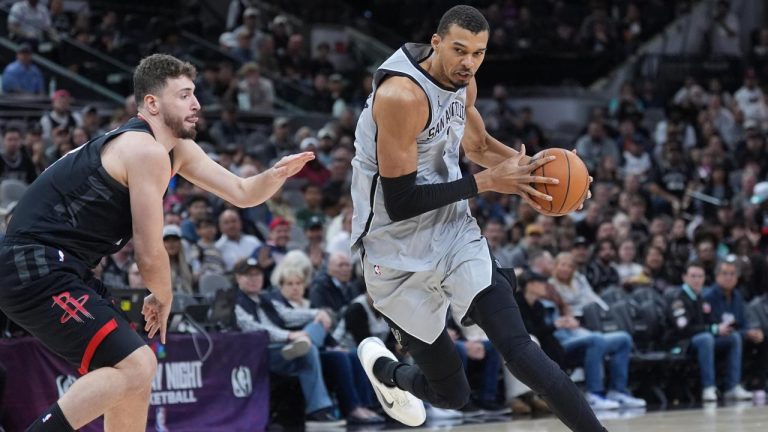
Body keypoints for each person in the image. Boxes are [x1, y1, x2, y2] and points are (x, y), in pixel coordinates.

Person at [0, 54, 313, 432]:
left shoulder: (173, 149)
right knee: (135, 364)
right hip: (33, 264)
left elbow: (244, 192)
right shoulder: (142, 149)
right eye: (183, 95)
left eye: (194, 94)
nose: (196, 103)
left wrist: (275, 173)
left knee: (135, 375)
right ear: (152, 103)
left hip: (65, 266)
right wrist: (161, 297)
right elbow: (149, 254)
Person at [350, 6, 605, 431]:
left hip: (454, 235)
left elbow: (481, 145)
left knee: (520, 349)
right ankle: (386, 371)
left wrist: (545, 177)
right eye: (459, 50)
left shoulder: (463, 84)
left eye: (479, 53)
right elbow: (400, 201)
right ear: (436, 43)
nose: (469, 62)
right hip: (394, 253)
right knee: (453, 395)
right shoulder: (401, 96)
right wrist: (487, 183)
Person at [665, 262, 750, 402]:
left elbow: (711, 322)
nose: (697, 280)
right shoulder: (678, 299)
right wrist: (713, 329)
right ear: (684, 278)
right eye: (693, 276)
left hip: (701, 341)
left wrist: (721, 328)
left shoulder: (701, 298)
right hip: (681, 343)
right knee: (706, 338)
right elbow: (684, 329)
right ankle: (708, 387)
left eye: (700, 276)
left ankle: (732, 386)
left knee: (733, 336)